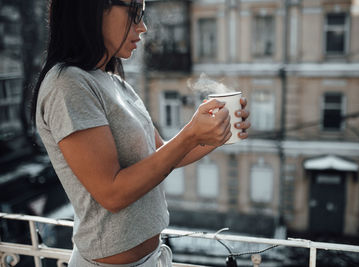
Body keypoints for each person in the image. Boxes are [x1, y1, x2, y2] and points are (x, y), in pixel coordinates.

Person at [31, 0, 251, 266]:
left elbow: (163, 153)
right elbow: (112, 194)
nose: (143, 27)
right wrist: (190, 134)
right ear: (94, 9)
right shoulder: (67, 85)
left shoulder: (113, 82)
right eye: (134, 15)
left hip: (151, 258)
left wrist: (216, 133)